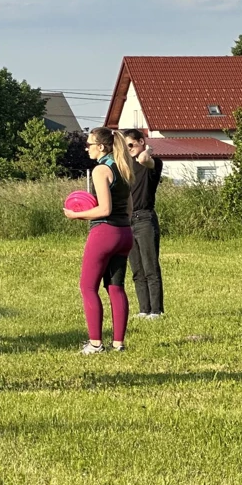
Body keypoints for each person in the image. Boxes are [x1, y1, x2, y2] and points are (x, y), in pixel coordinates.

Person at [64, 127, 135, 354]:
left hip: (105, 233)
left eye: (90, 144)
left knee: (87, 287)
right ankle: (118, 344)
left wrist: (76, 215)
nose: (87, 148)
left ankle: (95, 344)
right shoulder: (124, 167)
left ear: (102, 147)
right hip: (125, 233)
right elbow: (130, 208)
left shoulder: (101, 170)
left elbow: (104, 209)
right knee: (116, 288)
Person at [123, 128, 165, 319]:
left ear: (141, 142)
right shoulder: (126, 166)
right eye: (126, 146)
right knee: (137, 268)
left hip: (145, 219)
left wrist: (148, 149)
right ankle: (143, 309)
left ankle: (156, 311)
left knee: (150, 267)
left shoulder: (153, 163)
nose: (129, 148)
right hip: (128, 220)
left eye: (131, 144)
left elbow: (143, 160)